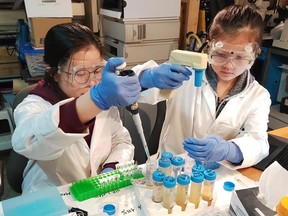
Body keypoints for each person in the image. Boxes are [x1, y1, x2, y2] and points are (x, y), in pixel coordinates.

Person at [12, 23, 191, 193]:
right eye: (80, 73)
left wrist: (112, 168)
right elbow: (30, 142)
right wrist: (96, 100)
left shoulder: (101, 97)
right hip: (53, 196)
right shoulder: (34, 104)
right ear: (54, 72)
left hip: (99, 191)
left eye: (97, 71)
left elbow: (121, 140)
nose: (92, 83)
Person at [135, 4, 271, 169]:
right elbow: (130, 91)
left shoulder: (258, 96)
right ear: (209, 47)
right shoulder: (185, 73)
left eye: (240, 57)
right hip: (169, 169)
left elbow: (259, 142)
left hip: (215, 176)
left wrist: (231, 150)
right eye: (220, 55)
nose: (229, 65)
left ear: (255, 54)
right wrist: (146, 78)